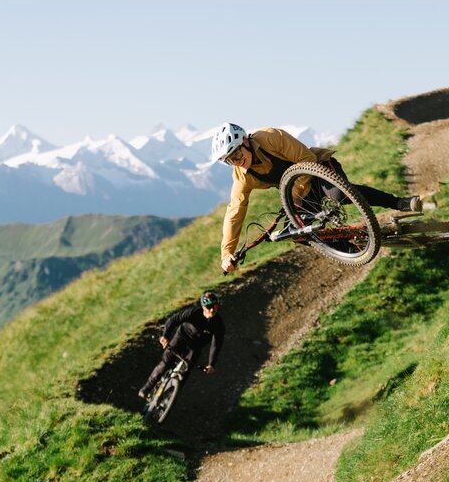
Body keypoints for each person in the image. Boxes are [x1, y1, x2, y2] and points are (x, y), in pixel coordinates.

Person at [211, 122, 423, 273]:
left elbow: (307, 159)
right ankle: (353, 249)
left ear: (246, 142)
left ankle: (398, 202)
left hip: (319, 168)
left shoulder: (270, 137)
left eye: (237, 155)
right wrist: (226, 253)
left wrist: (295, 197)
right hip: (297, 191)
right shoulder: (242, 176)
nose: (237, 162)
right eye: (230, 161)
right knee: (296, 232)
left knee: (339, 194)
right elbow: (234, 213)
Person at [138, 290, 225, 400]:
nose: (212, 310)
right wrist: (165, 336)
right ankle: (146, 389)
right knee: (165, 364)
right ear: (203, 307)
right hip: (181, 338)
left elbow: (216, 344)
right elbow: (173, 320)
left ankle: (167, 400)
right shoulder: (193, 312)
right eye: (209, 307)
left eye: (215, 306)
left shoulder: (219, 324)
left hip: (196, 347)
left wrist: (211, 364)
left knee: (184, 374)